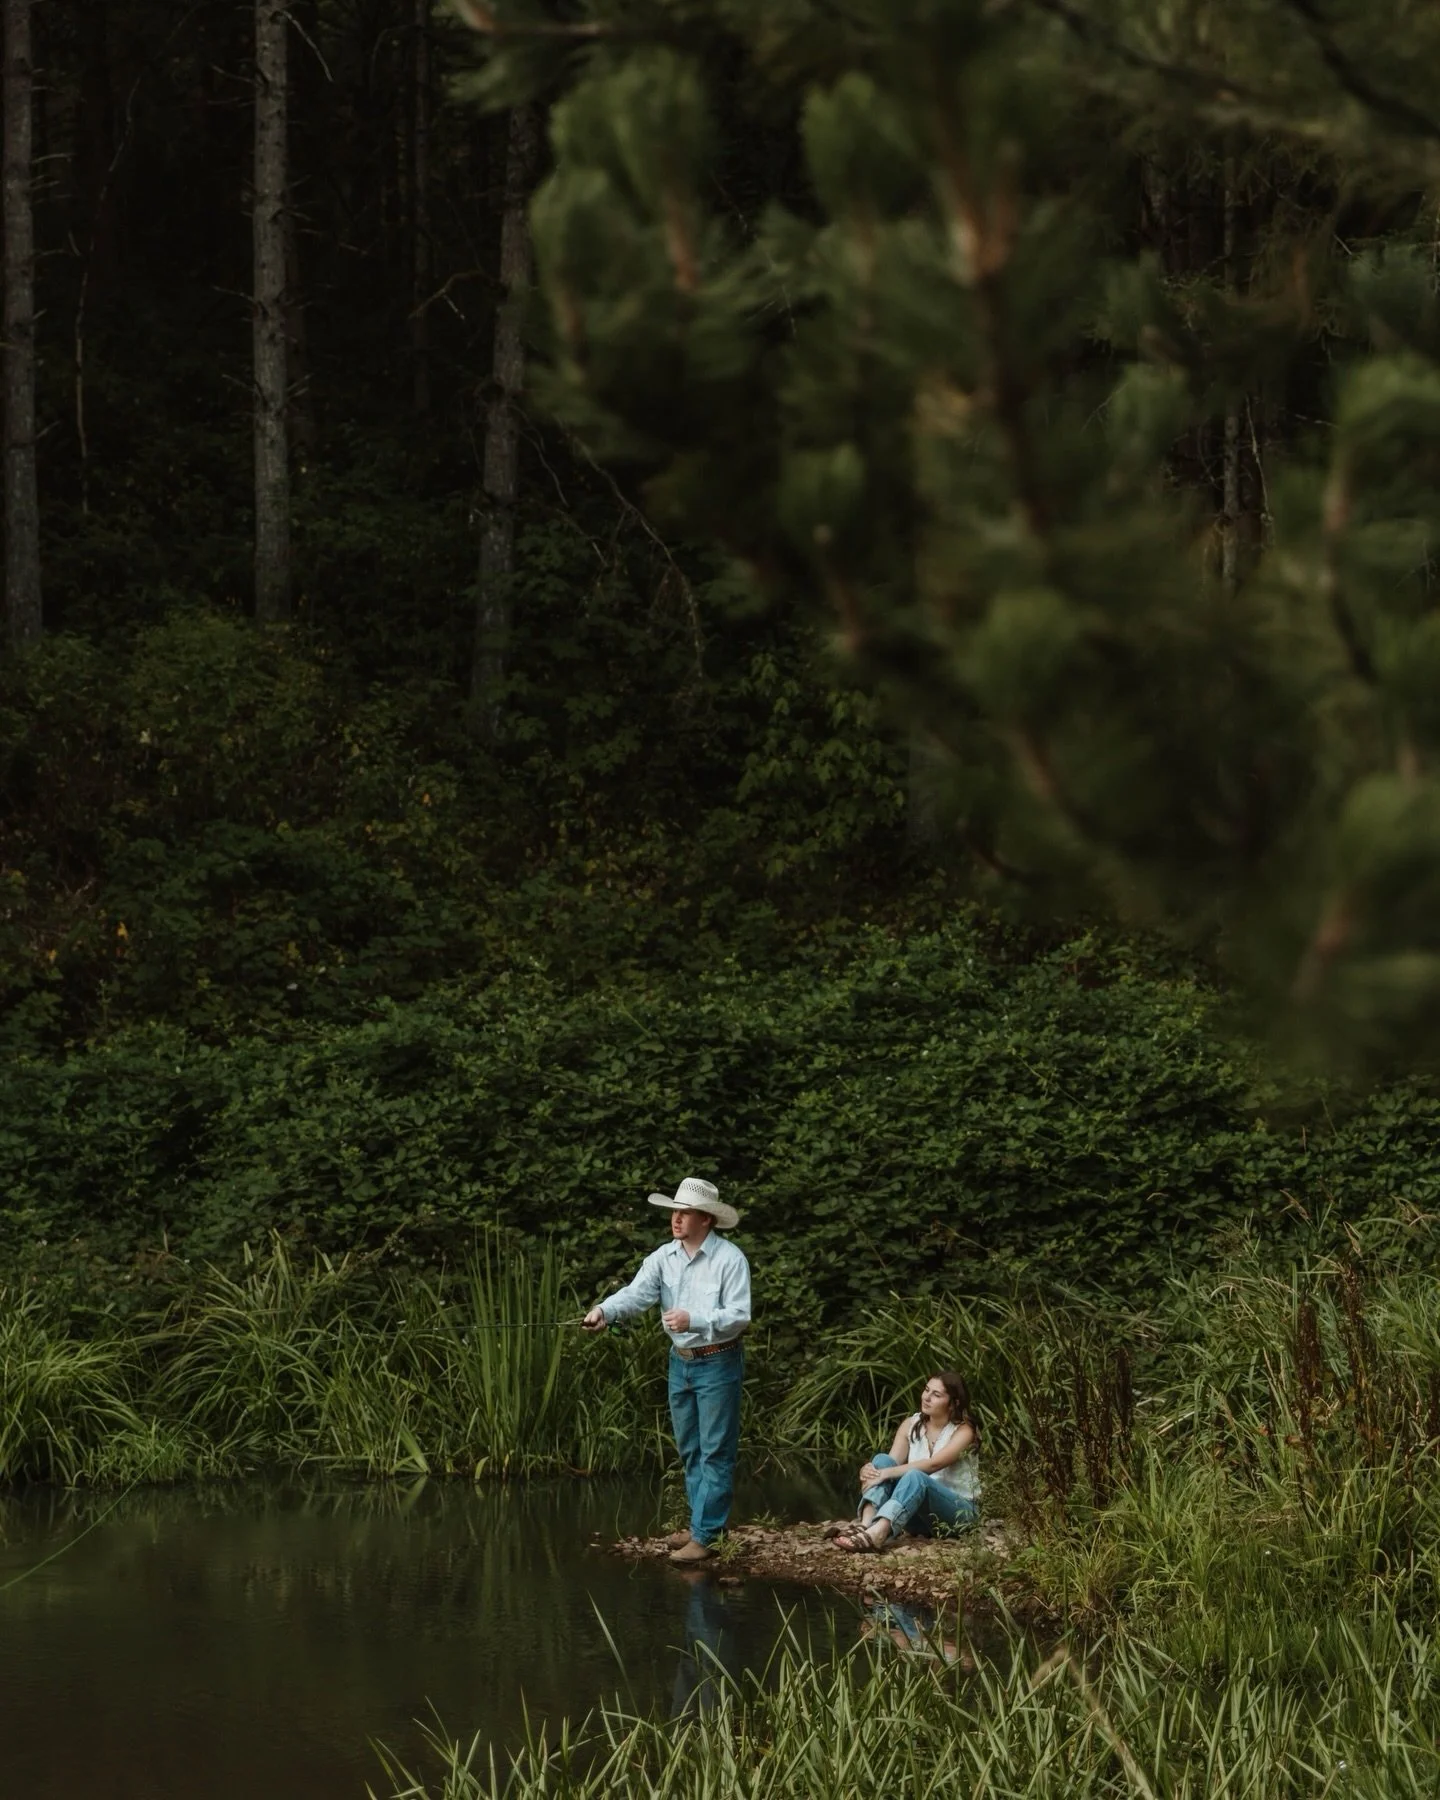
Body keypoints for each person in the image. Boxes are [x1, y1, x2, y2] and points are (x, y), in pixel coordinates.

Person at [583, 1178, 751, 1566]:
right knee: (690, 1449)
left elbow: (740, 1317)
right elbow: (636, 1294)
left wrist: (694, 1318)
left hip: (719, 1359)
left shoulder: (730, 1259)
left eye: (685, 1212)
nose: (676, 1219)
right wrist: (604, 1312)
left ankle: (707, 1535)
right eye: (674, 1212)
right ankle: (703, 1525)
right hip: (681, 1362)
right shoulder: (664, 1257)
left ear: (706, 1220)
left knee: (715, 1450)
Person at [835, 1370, 980, 1553]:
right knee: (882, 1459)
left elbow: (934, 1464)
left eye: (936, 1395)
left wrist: (884, 1474)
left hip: (958, 1515)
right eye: (926, 1390)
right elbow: (891, 1464)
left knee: (915, 1476)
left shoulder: (964, 1431)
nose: (926, 1397)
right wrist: (871, 1470)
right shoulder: (911, 1425)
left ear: (954, 1403)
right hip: (918, 1518)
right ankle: (866, 1525)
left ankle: (879, 1533)